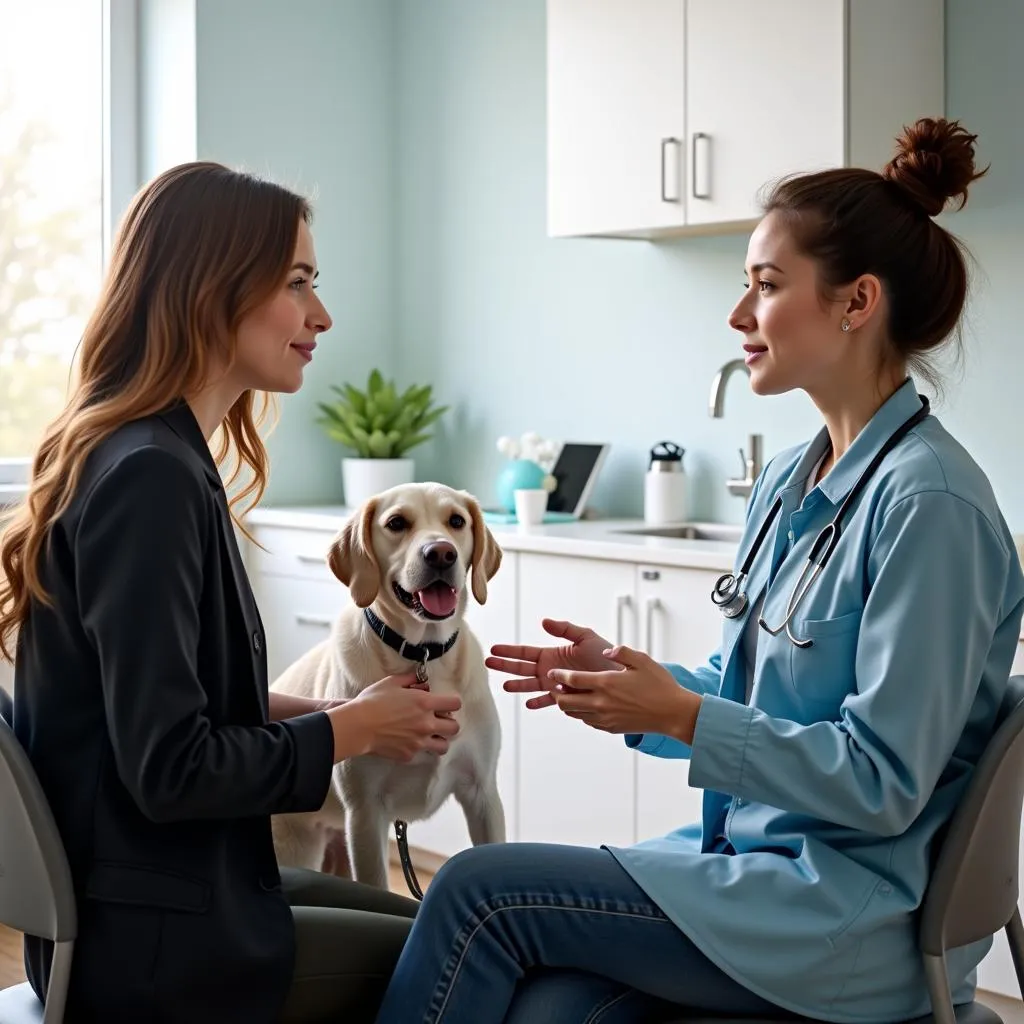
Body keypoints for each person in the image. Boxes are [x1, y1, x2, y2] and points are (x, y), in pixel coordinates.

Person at [372, 117, 1024, 1024]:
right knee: (552, 1007)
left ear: (855, 301)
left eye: (764, 285)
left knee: (478, 891)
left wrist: (681, 714)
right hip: (753, 875)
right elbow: (754, 693)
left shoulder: (931, 509)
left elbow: (882, 783)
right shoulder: (793, 485)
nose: (737, 315)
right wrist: (635, 688)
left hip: (844, 919)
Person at [0, 161, 465, 1024]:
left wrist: (333, 708)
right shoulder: (151, 479)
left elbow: (175, 702)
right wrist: (349, 729)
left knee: (449, 909)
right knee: (472, 944)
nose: (321, 316)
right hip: (156, 947)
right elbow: (172, 769)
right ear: (211, 290)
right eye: (298, 284)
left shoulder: (155, 456)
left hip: (156, 900)